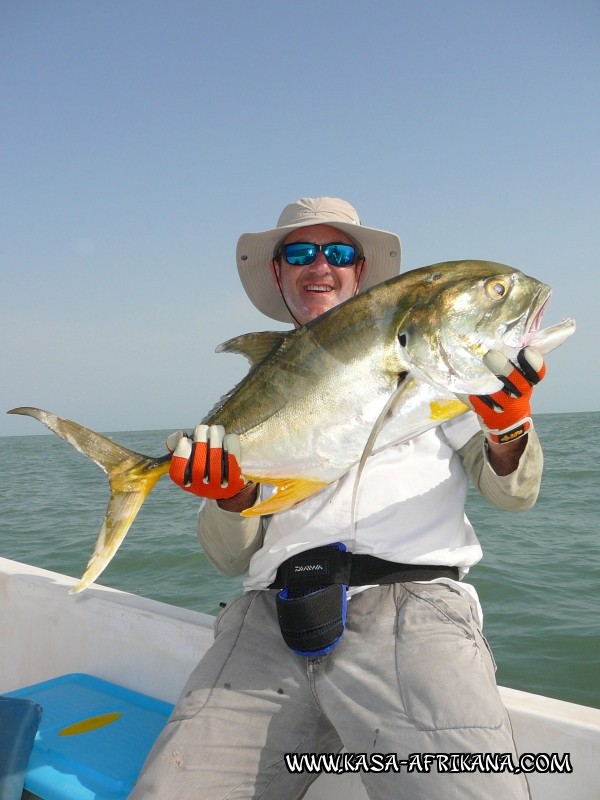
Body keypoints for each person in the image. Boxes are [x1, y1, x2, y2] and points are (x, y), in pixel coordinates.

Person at [130, 197, 544, 799]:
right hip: (268, 622)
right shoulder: (261, 388)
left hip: (414, 613)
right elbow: (228, 558)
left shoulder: (444, 367)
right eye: (299, 253)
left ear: (361, 271)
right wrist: (232, 495)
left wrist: (508, 429)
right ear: (278, 273)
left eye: (338, 252)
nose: (319, 265)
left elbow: (513, 493)